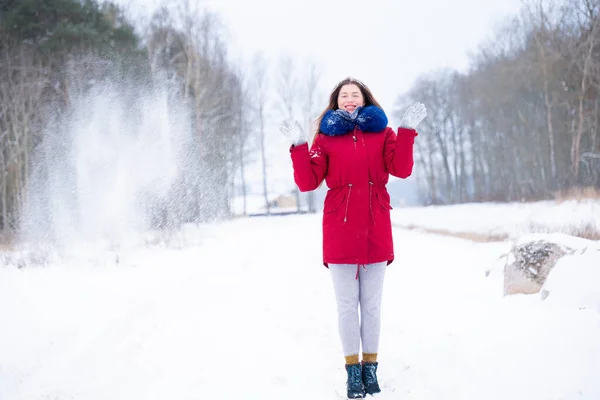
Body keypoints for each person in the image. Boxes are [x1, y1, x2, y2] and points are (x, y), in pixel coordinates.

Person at [279, 77, 426, 399]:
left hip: (376, 227)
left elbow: (401, 169)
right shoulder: (326, 138)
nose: (349, 99)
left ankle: (370, 370)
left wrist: (406, 131)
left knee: (372, 305)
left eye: (354, 95)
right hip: (340, 231)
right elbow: (307, 182)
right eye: (344, 95)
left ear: (365, 100)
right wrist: (299, 146)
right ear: (336, 102)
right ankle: (352, 374)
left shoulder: (383, 133)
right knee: (347, 306)